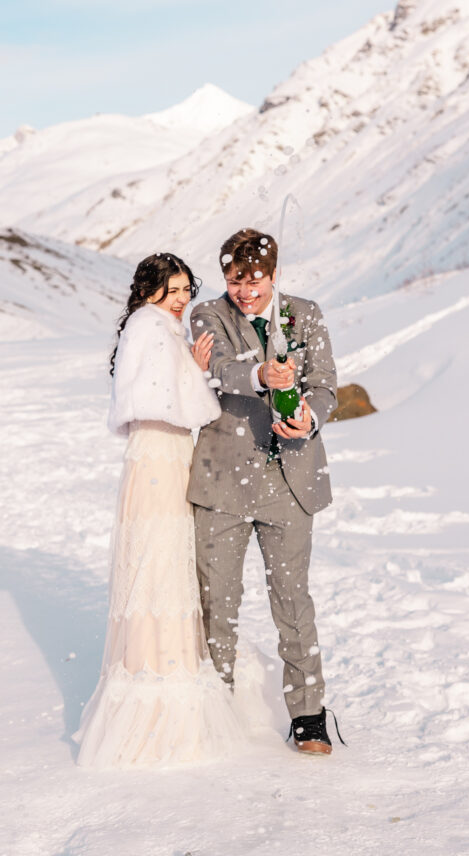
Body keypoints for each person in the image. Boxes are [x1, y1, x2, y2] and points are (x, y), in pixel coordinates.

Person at [74, 253, 244, 768]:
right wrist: (195, 373)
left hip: (162, 454)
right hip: (158, 454)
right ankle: (159, 685)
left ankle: (159, 667)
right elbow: (177, 406)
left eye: (186, 289)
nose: (181, 299)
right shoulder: (152, 328)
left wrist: (189, 370)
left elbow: (171, 398)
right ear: (149, 290)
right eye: (171, 289)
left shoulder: (154, 328)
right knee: (159, 565)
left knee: (160, 566)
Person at [188, 228, 340, 754]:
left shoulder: (307, 314)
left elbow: (326, 385)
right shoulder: (207, 315)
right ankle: (217, 707)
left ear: (273, 275)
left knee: (293, 600)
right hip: (223, 481)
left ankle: (308, 715)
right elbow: (217, 368)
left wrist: (309, 416)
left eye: (254, 281)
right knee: (217, 602)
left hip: (290, 483)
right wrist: (262, 375)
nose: (244, 292)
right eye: (235, 280)